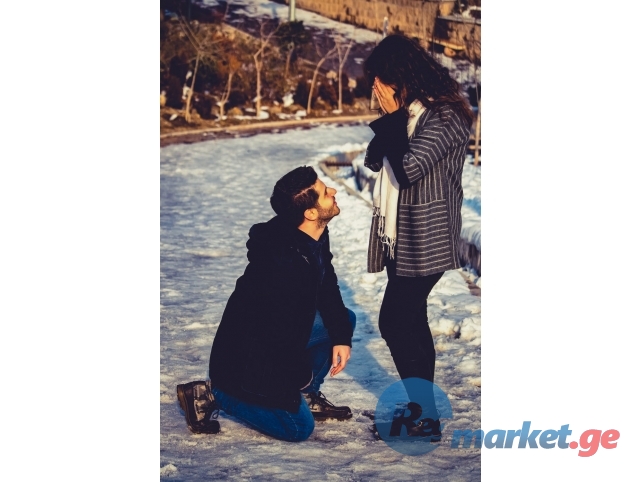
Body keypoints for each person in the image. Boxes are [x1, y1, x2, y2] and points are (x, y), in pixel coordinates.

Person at [177, 166, 356, 441]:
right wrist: (294, 383)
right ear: (310, 213)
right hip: (249, 357)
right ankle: (213, 394)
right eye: (324, 192)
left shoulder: (313, 236)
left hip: (279, 339)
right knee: (298, 429)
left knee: (343, 320)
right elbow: (273, 341)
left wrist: (341, 337)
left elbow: (327, 286)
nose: (333, 191)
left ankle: (307, 396)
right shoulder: (281, 264)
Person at [363, 34, 473, 439]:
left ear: (403, 76)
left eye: (381, 80)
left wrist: (392, 119)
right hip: (400, 233)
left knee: (394, 321)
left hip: (426, 235)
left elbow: (408, 169)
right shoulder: (411, 114)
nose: (376, 89)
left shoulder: (446, 117)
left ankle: (424, 416)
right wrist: (392, 118)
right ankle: (422, 413)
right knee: (411, 320)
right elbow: (374, 159)